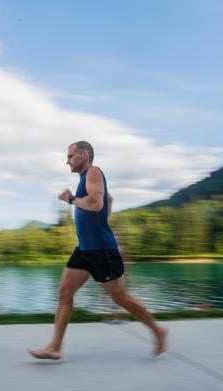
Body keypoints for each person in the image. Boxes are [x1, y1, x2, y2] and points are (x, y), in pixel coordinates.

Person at [28, 141, 168, 360]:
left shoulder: (93, 172)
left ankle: (158, 331)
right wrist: (100, 221)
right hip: (85, 249)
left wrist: (72, 199)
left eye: (71, 156)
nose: (67, 161)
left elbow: (96, 204)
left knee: (121, 299)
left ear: (84, 154)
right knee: (64, 293)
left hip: (102, 250)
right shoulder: (86, 179)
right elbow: (107, 200)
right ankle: (54, 347)